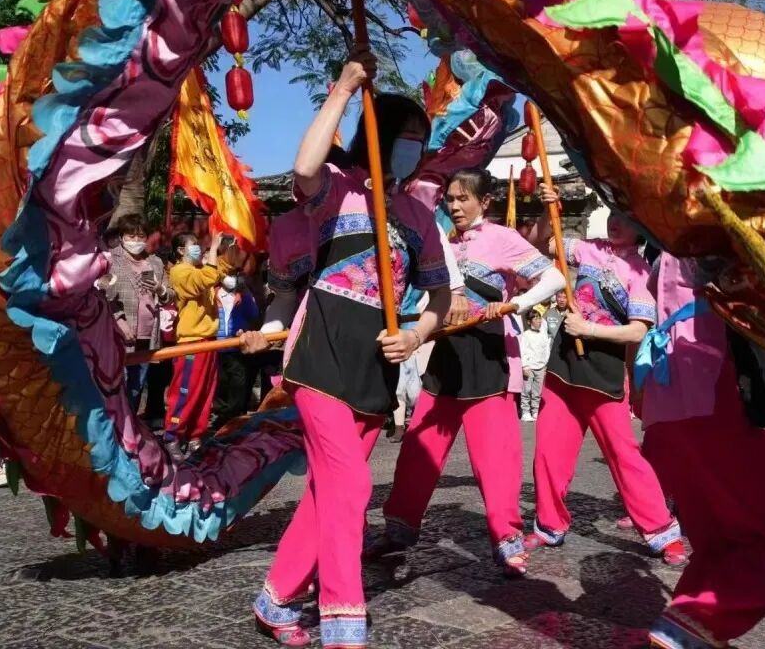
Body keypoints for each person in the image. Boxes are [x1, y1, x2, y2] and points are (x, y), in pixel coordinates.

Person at [238, 45, 453, 648]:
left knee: (328, 491)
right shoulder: (337, 189)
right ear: (376, 138)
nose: (414, 147)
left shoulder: (419, 216)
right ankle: (342, 617)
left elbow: (440, 297)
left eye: (421, 140)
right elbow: (304, 165)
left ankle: (276, 599)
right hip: (322, 349)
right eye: (405, 137)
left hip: (377, 360)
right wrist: (344, 86)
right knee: (354, 486)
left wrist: (415, 335)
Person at [367, 168, 566, 577]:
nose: (455, 206)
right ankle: (398, 530)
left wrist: (514, 305)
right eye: (451, 199)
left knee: (496, 459)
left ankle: (506, 540)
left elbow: (554, 278)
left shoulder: (503, 238)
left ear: (485, 202)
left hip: (489, 356)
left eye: (464, 199)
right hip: (446, 358)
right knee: (418, 451)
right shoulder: (441, 239)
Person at [637, 252, 765, 648]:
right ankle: (694, 625)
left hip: (667, 401)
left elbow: (655, 283)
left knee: (721, 544)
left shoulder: (667, 247)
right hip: (713, 390)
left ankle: (687, 626)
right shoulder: (712, 235)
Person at [523, 185, 684, 564]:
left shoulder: (641, 273)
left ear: (641, 228)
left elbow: (638, 331)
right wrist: (549, 210)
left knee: (624, 455)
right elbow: (542, 244)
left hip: (605, 373)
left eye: (625, 218)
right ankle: (549, 525)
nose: (615, 222)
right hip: (563, 366)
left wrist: (589, 329)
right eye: (613, 214)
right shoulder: (588, 249)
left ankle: (662, 532)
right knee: (548, 451)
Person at [162, 231, 234, 456]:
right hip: (191, 342)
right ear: (180, 250)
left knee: (205, 392)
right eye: (193, 245)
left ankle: (196, 435)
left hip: (209, 340)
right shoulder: (179, 271)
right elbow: (204, 280)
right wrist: (212, 250)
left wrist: (226, 247)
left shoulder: (201, 268)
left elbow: (224, 270)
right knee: (186, 391)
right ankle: (173, 435)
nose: (199, 248)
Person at [104, 214, 172, 413]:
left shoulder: (155, 262)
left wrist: (160, 289)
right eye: (131, 236)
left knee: (137, 385)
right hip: (120, 333)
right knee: (119, 382)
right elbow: (103, 295)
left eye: (140, 236)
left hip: (148, 335)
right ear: (122, 237)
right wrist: (119, 321)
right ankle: (116, 424)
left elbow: (170, 296)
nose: (136, 241)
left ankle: (131, 423)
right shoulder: (110, 260)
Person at [212, 267, 260, 429]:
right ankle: (221, 413)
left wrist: (245, 292)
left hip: (237, 346)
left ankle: (234, 415)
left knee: (238, 382)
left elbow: (253, 314)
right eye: (227, 275)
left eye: (234, 275)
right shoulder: (212, 294)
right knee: (220, 381)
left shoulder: (244, 296)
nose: (231, 278)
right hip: (217, 345)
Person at [519, 310, 551, 421]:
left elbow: (546, 350)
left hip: (541, 367)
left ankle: (535, 411)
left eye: (539, 318)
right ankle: (525, 411)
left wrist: (545, 363)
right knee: (526, 390)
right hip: (529, 367)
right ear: (529, 322)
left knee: (537, 391)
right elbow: (523, 351)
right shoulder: (526, 335)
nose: (539, 321)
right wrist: (524, 366)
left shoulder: (543, 334)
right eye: (535, 318)